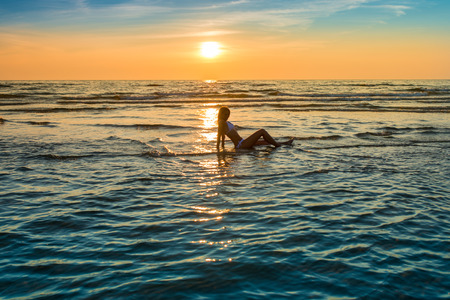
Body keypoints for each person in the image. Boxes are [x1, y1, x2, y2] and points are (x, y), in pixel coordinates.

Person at [216, 106, 293, 150]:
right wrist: (218, 149)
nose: (227, 116)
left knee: (264, 141)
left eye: (228, 114)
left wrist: (223, 149)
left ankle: (284, 143)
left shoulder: (224, 122)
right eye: (225, 114)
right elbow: (219, 137)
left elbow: (223, 138)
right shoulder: (221, 122)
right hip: (241, 145)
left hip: (243, 142)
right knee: (262, 131)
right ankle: (278, 145)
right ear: (221, 114)